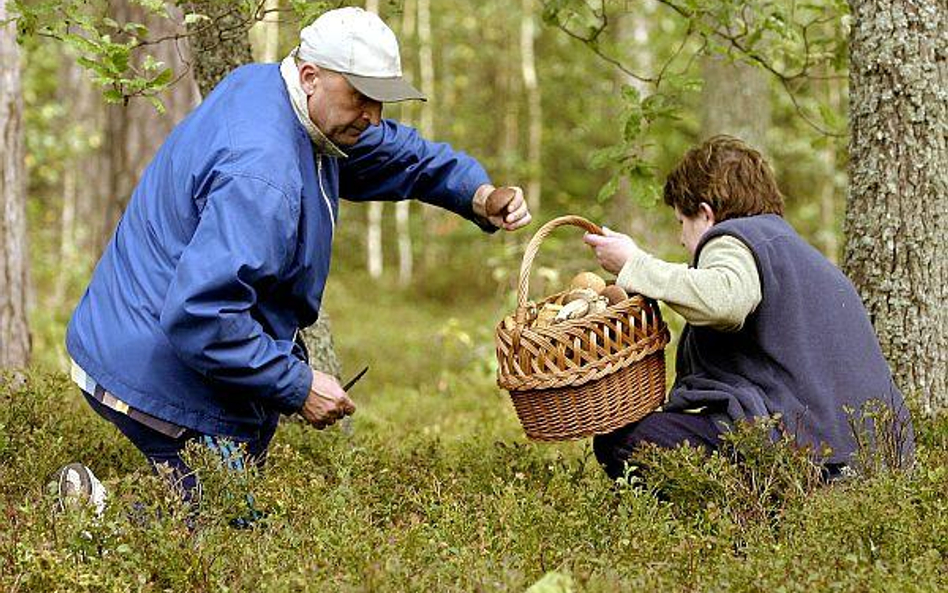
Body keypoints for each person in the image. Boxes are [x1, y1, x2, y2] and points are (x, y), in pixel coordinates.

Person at [57, 7, 532, 512]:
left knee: (234, 492)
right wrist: (299, 385)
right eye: (361, 97)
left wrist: (475, 193)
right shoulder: (263, 175)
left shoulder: (273, 94)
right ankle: (93, 510)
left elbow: (393, 153)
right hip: (148, 363)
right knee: (221, 524)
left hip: (141, 331)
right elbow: (201, 315)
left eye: (380, 99)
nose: (373, 115)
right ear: (311, 76)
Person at [583, 135, 913, 482]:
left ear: (706, 214)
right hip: (877, 460)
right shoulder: (794, 251)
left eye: (682, 222)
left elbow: (726, 302)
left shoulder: (732, 240)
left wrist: (636, 264)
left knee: (620, 440)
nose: (681, 239)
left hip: (815, 465)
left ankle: (748, 520)